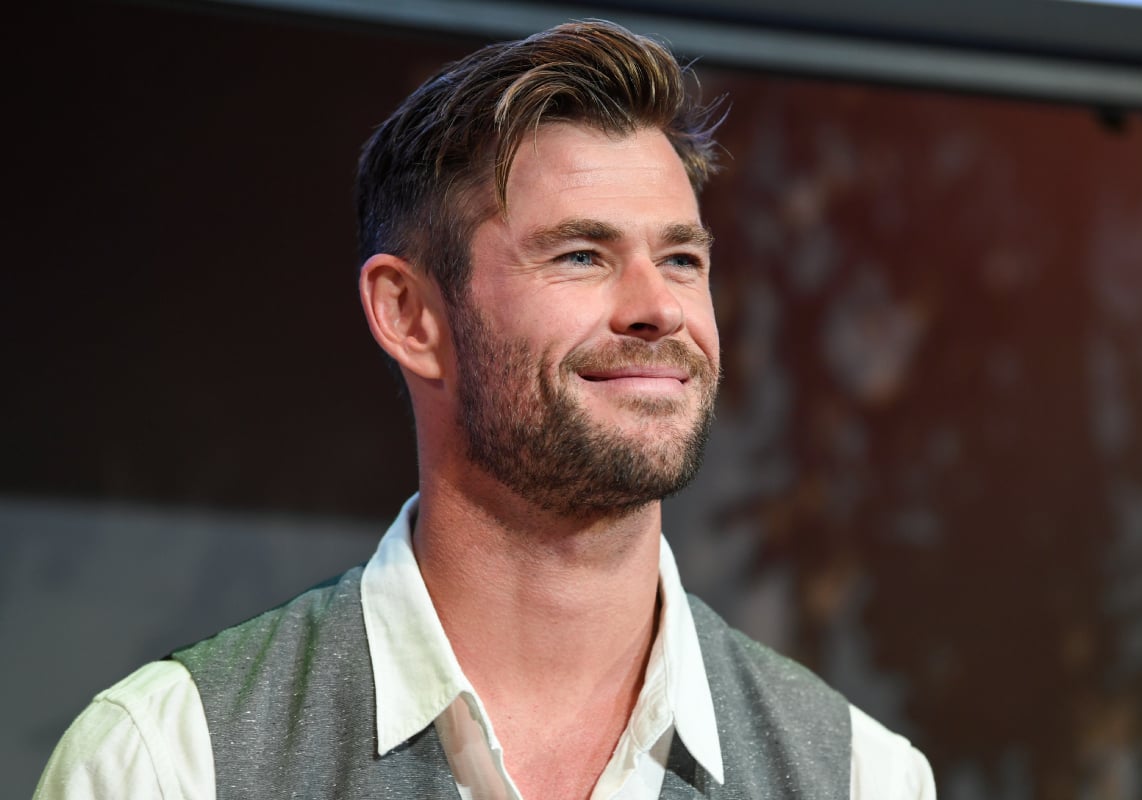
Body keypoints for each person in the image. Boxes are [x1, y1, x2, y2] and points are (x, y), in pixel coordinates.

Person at [36, 20, 934, 800]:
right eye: (581, 255)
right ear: (410, 316)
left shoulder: (862, 777)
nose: (656, 306)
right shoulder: (168, 763)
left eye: (682, 259)